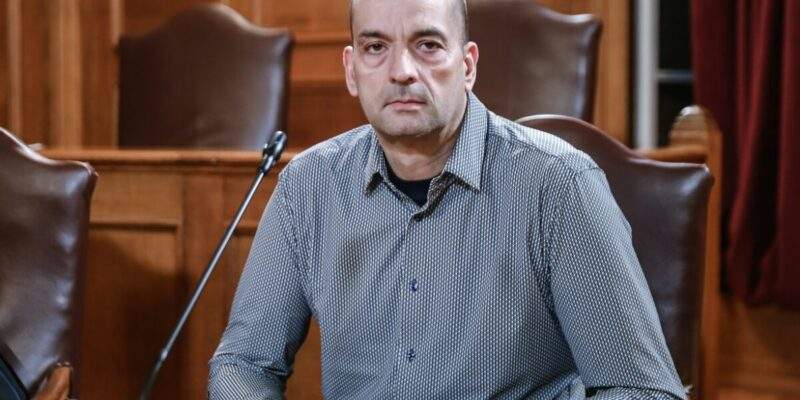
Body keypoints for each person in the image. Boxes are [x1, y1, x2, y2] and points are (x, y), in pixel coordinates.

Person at [209, 0, 687, 398]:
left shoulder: (559, 186)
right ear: (352, 71)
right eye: (376, 47)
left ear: (467, 65)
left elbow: (643, 390)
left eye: (428, 45)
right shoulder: (307, 187)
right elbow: (244, 363)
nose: (402, 71)